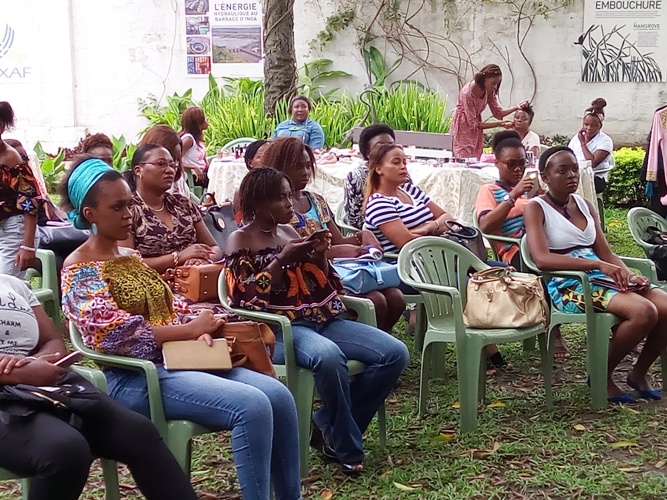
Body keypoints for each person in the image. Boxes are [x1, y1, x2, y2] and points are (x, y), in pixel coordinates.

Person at [59, 157, 302, 499]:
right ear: (90, 215)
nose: (129, 213)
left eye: (130, 204)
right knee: (253, 405)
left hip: (180, 358)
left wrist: (199, 323)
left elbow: (169, 304)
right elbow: (112, 334)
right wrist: (186, 332)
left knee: (278, 395)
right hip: (134, 377)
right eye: (118, 207)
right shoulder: (79, 266)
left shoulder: (128, 257)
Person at [224, 167, 409, 474]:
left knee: (394, 354)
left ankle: (326, 425)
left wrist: (319, 255)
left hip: (322, 321)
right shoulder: (240, 239)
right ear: (260, 204)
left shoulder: (290, 232)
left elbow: (324, 283)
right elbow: (244, 298)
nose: (289, 204)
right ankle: (347, 447)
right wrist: (282, 260)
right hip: (279, 330)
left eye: (289, 197)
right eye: (281, 198)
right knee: (327, 356)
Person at [0, 273, 199, 500]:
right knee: (64, 450)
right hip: (11, 394)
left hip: (45, 385)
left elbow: (52, 341)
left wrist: (37, 363)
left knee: (138, 433)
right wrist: (18, 373)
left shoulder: (11, 283)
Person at [525, 147, 667, 403]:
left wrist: (628, 275)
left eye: (574, 169)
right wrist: (597, 267)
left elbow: (606, 253)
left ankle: (638, 373)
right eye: (562, 170)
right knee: (644, 312)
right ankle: (601, 374)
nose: (572, 175)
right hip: (568, 283)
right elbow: (541, 259)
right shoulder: (535, 208)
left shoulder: (584, 204)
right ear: (544, 176)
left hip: (602, 276)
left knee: (665, 306)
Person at [262, 137, 405, 332]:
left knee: (396, 297)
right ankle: (363, 347)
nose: (305, 173)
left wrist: (364, 236)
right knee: (376, 300)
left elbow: (338, 240)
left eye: (308, 166)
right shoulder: (279, 208)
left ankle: (377, 343)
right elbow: (292, 252)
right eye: (298, 167)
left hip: (341, 271)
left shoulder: (316, 201)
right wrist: (343, 251)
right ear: (280, 168)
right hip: (310, 276)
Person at [476, 131, 570, 359]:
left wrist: (541, 194)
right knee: (543, 270)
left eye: (522, 163)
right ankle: (553, 331)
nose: (518, 169)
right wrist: (514, 195)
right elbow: (486, 225)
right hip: (515, 251)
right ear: (497, 163)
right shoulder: (489, 191)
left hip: (546, 245)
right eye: (510, 164)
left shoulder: (532, 190)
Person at [121, 146, 222, 302]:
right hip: (155, 296)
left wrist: (201, 260)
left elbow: (215, 248)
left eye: (173, 165)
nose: (169, 170)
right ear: (138, 170)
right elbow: (128, 265)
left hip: (198, 288)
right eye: (161, 164)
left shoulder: (182, 203)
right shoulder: (128, 210)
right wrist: (178, 257)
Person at [451, 64, 529, 159]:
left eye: (497, 83)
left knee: (476, 159)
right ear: (485, 79)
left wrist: (516, 108)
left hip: (476, 131)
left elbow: (498, 113)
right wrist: (500, 124)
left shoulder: (489, 91)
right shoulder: (467, 93)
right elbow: (474, 124)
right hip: (463, 129)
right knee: (463, 159)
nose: (495, 86)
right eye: (493, 83)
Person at [0, 102, 40, 278]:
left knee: (5, 288)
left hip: (15, 231)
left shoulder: (10, 158)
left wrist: (27, 246)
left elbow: (30, 202)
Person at [343, 124, 396, 229]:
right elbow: (355, 219)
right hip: (373, 233)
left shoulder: (400, 173)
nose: (387, 150)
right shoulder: (356, 177)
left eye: (391, 145)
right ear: (367, 153)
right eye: (380, 145)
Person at [568, 98, 613, 194]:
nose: (588, 128)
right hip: (575, 174)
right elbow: (568, 155)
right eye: (586, 124)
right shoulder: (577, 137)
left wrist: (582, 143)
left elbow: (592, 163)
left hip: (596, 178)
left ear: (600, 126)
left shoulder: (606, 141)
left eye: (593, 125)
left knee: (571, 183)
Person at [140, 125, 190, 197]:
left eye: (177, 160)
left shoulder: (179, 184)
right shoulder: (132, 197)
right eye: (162, 163)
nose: (173, 167)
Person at [232, 139, 270, 224]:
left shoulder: (282, 187)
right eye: (263, 156)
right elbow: (241, 224)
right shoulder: (242, 193)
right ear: (250, 163)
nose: (268, 160)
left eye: (271, 155)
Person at [180, 106, 208, 184]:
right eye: (204, 118)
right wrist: (194, 167)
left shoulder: (197, 138)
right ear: (198, 123)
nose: (207, 120)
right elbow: (174, 160)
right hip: (191, 177)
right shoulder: (188, 139)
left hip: (202, 174)